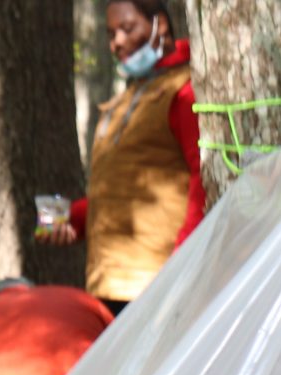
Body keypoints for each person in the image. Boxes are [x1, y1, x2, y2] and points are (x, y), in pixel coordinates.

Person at [43, 0, 203, 313]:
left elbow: (203, 179)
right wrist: (66, 218)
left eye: (127, 29)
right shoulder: (123, 100)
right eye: (111, 33)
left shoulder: (184, 90)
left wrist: (183, 262)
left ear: (161, 26)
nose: (116, 42)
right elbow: (118, 195)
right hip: (106, 282)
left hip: (157, 285)